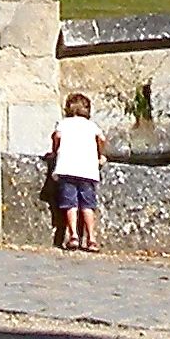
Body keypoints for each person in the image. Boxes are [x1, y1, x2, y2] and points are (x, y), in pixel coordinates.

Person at [47, 90, 105, 251]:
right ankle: (91, 239)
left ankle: (73, 236)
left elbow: (57, 137)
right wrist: (99, 155)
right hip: (88, 170)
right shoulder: (91, 125)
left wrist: (54, 151)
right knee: (88, 205)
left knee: (70, 204)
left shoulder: (64, 123)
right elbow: (102, 139)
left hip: (67, 168)